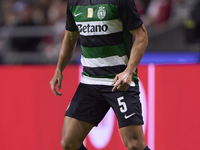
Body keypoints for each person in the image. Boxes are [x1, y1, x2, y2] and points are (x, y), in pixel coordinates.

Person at [49, 0, 149, 149]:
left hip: (119, 82)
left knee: (135, 144)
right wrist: (58, 70)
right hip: (90, 83)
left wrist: (129, 71)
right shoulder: (74, 3)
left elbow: (141, 36)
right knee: (69, 143)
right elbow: (70, 38)